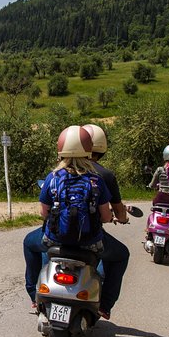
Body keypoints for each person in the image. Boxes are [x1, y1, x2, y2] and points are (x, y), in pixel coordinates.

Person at [23, 124, 130, 320]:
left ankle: (33, 294)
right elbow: (106, 217)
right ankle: (104, 306)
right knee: (122, 254)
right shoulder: (95, 180)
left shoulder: (52, 177)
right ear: (89, 150)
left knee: (29, 244)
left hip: (55, 241)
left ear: (61, 149)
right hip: (91, 242)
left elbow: (43, 213)